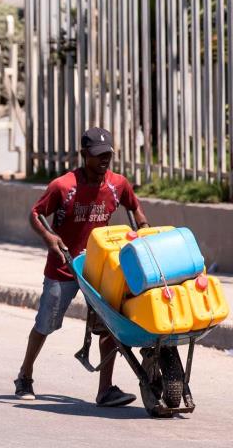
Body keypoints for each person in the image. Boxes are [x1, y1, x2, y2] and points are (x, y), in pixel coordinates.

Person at [14, 127, 149, 407]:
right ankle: (25, 375)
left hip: (99, 268)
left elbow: (135, 209)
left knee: (110, 326)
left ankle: (105, 390)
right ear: (84, 155)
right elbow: (36, 214)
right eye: (98, 156)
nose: (104, 161)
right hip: (64, 266)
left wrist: (145, 232)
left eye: (108, 155)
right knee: (46, 324)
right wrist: (50, 238)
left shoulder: (117, 184)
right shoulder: (63, 186)